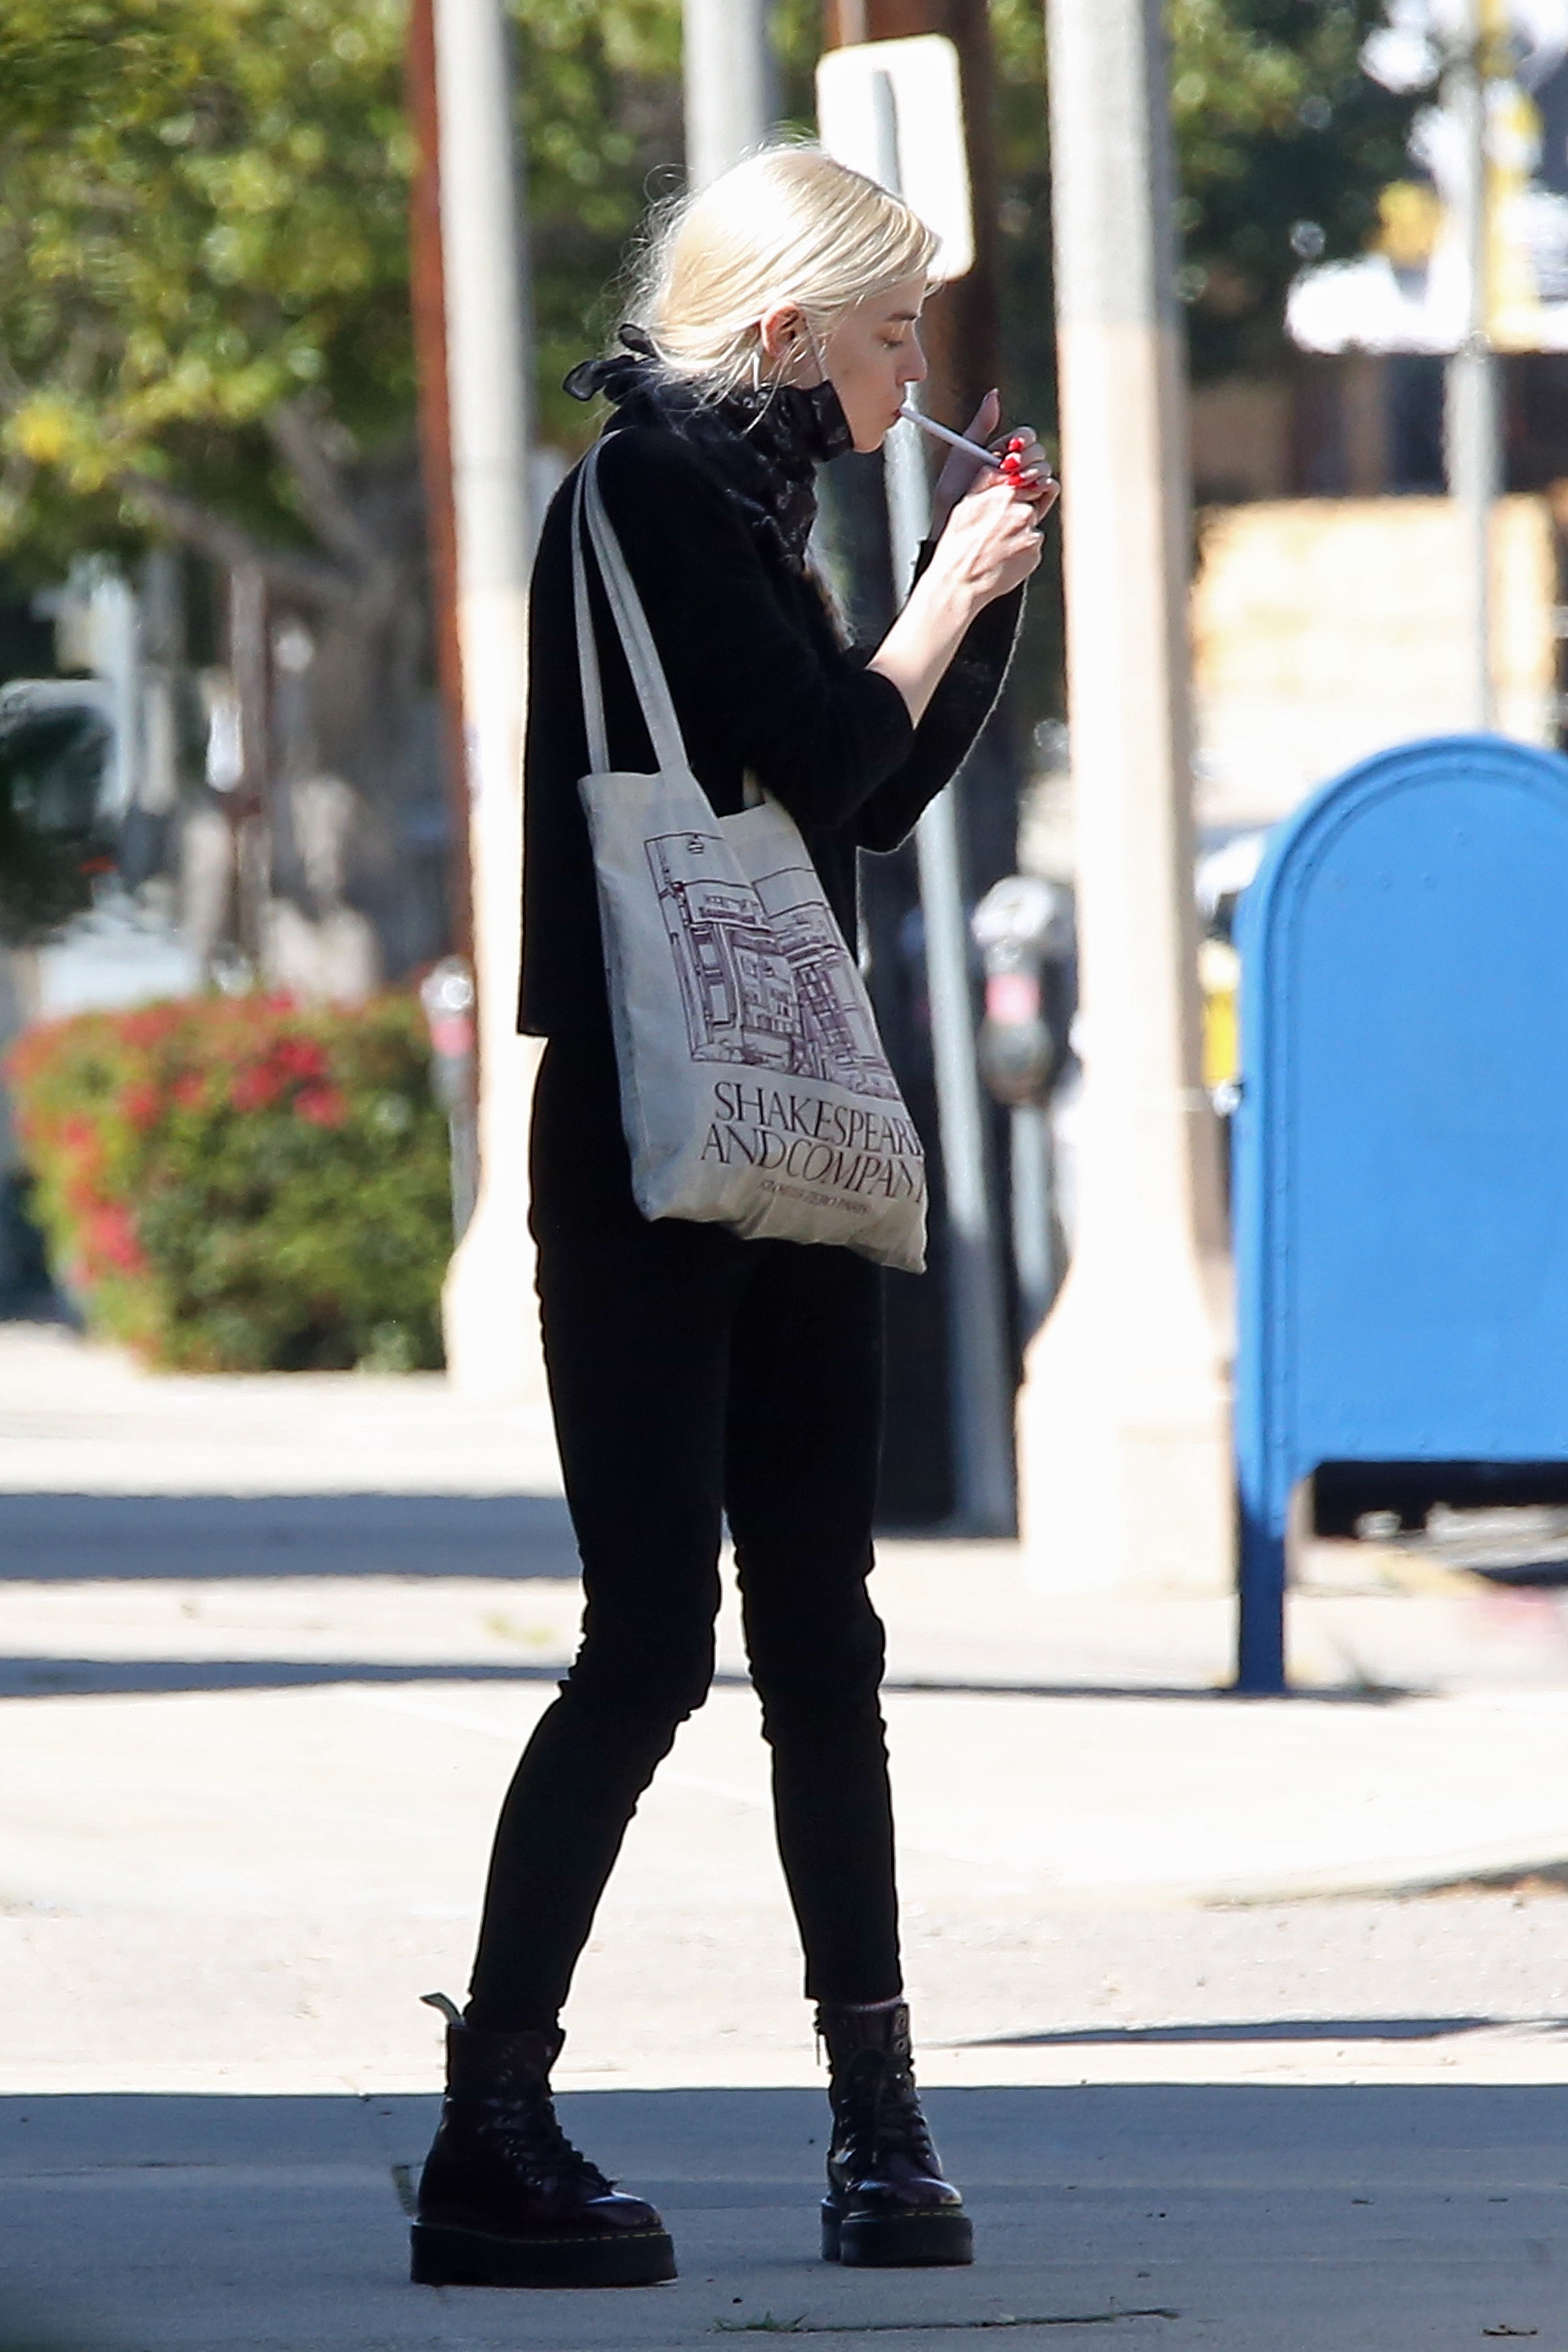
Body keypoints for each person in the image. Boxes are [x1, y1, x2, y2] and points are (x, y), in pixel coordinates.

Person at [411, 144, 1054, 2294]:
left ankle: (881, 2126)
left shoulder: (758, 508)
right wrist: (941, 599)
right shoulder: (652, 493)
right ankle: (492, 2126)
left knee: (825, 1639)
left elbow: (860, 791)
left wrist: (979, 597)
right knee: (648, 1644)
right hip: (643, 1136)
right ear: (785, 332)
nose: (915, 365)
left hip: (779, 1117)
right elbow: (824, 741)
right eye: (889, 327)